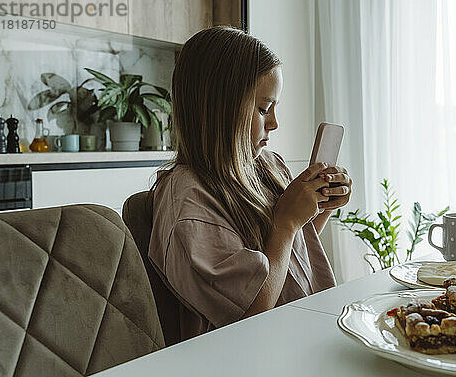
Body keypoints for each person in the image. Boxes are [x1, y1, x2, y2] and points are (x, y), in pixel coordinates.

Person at [148, 26, 353, 340]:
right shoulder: (187, 200)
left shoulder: (267, 165)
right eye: (263, 109)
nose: (274, 123)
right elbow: (247, 314)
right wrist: (287, 223)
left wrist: (317, 209)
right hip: (245, 356)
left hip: (298, 334)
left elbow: (285, 257)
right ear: (220, 107)